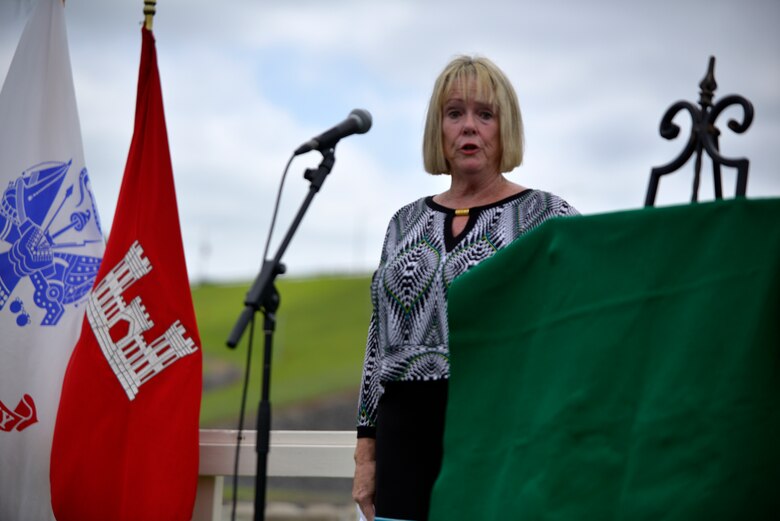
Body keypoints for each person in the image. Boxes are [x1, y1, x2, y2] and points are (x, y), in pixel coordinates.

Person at [352, 55, 579, 521]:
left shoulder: (547, 217)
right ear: (439, 129)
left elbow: (585, 325)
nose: (469, 127)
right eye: (455, 113)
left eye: (485, 114)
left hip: (499, 442)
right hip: (403, 445)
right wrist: (365, 456)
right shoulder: (404, 223)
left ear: (505, 128)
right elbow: (378, 344)